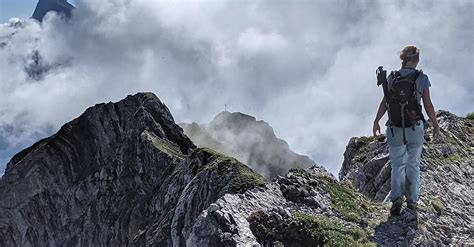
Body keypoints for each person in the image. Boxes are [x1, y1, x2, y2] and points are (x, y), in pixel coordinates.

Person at [372, 45, 440, 216]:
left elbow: (384, 103)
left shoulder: (392, 77)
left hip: (394, 128)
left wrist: (376, 120)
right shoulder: (422, 78)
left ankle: (396, 201)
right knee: (413, 164)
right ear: (416, 60)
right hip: (415, 128)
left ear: (402, 60)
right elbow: (428, 104)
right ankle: (412, 201)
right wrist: (435, 124)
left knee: (397, 165)